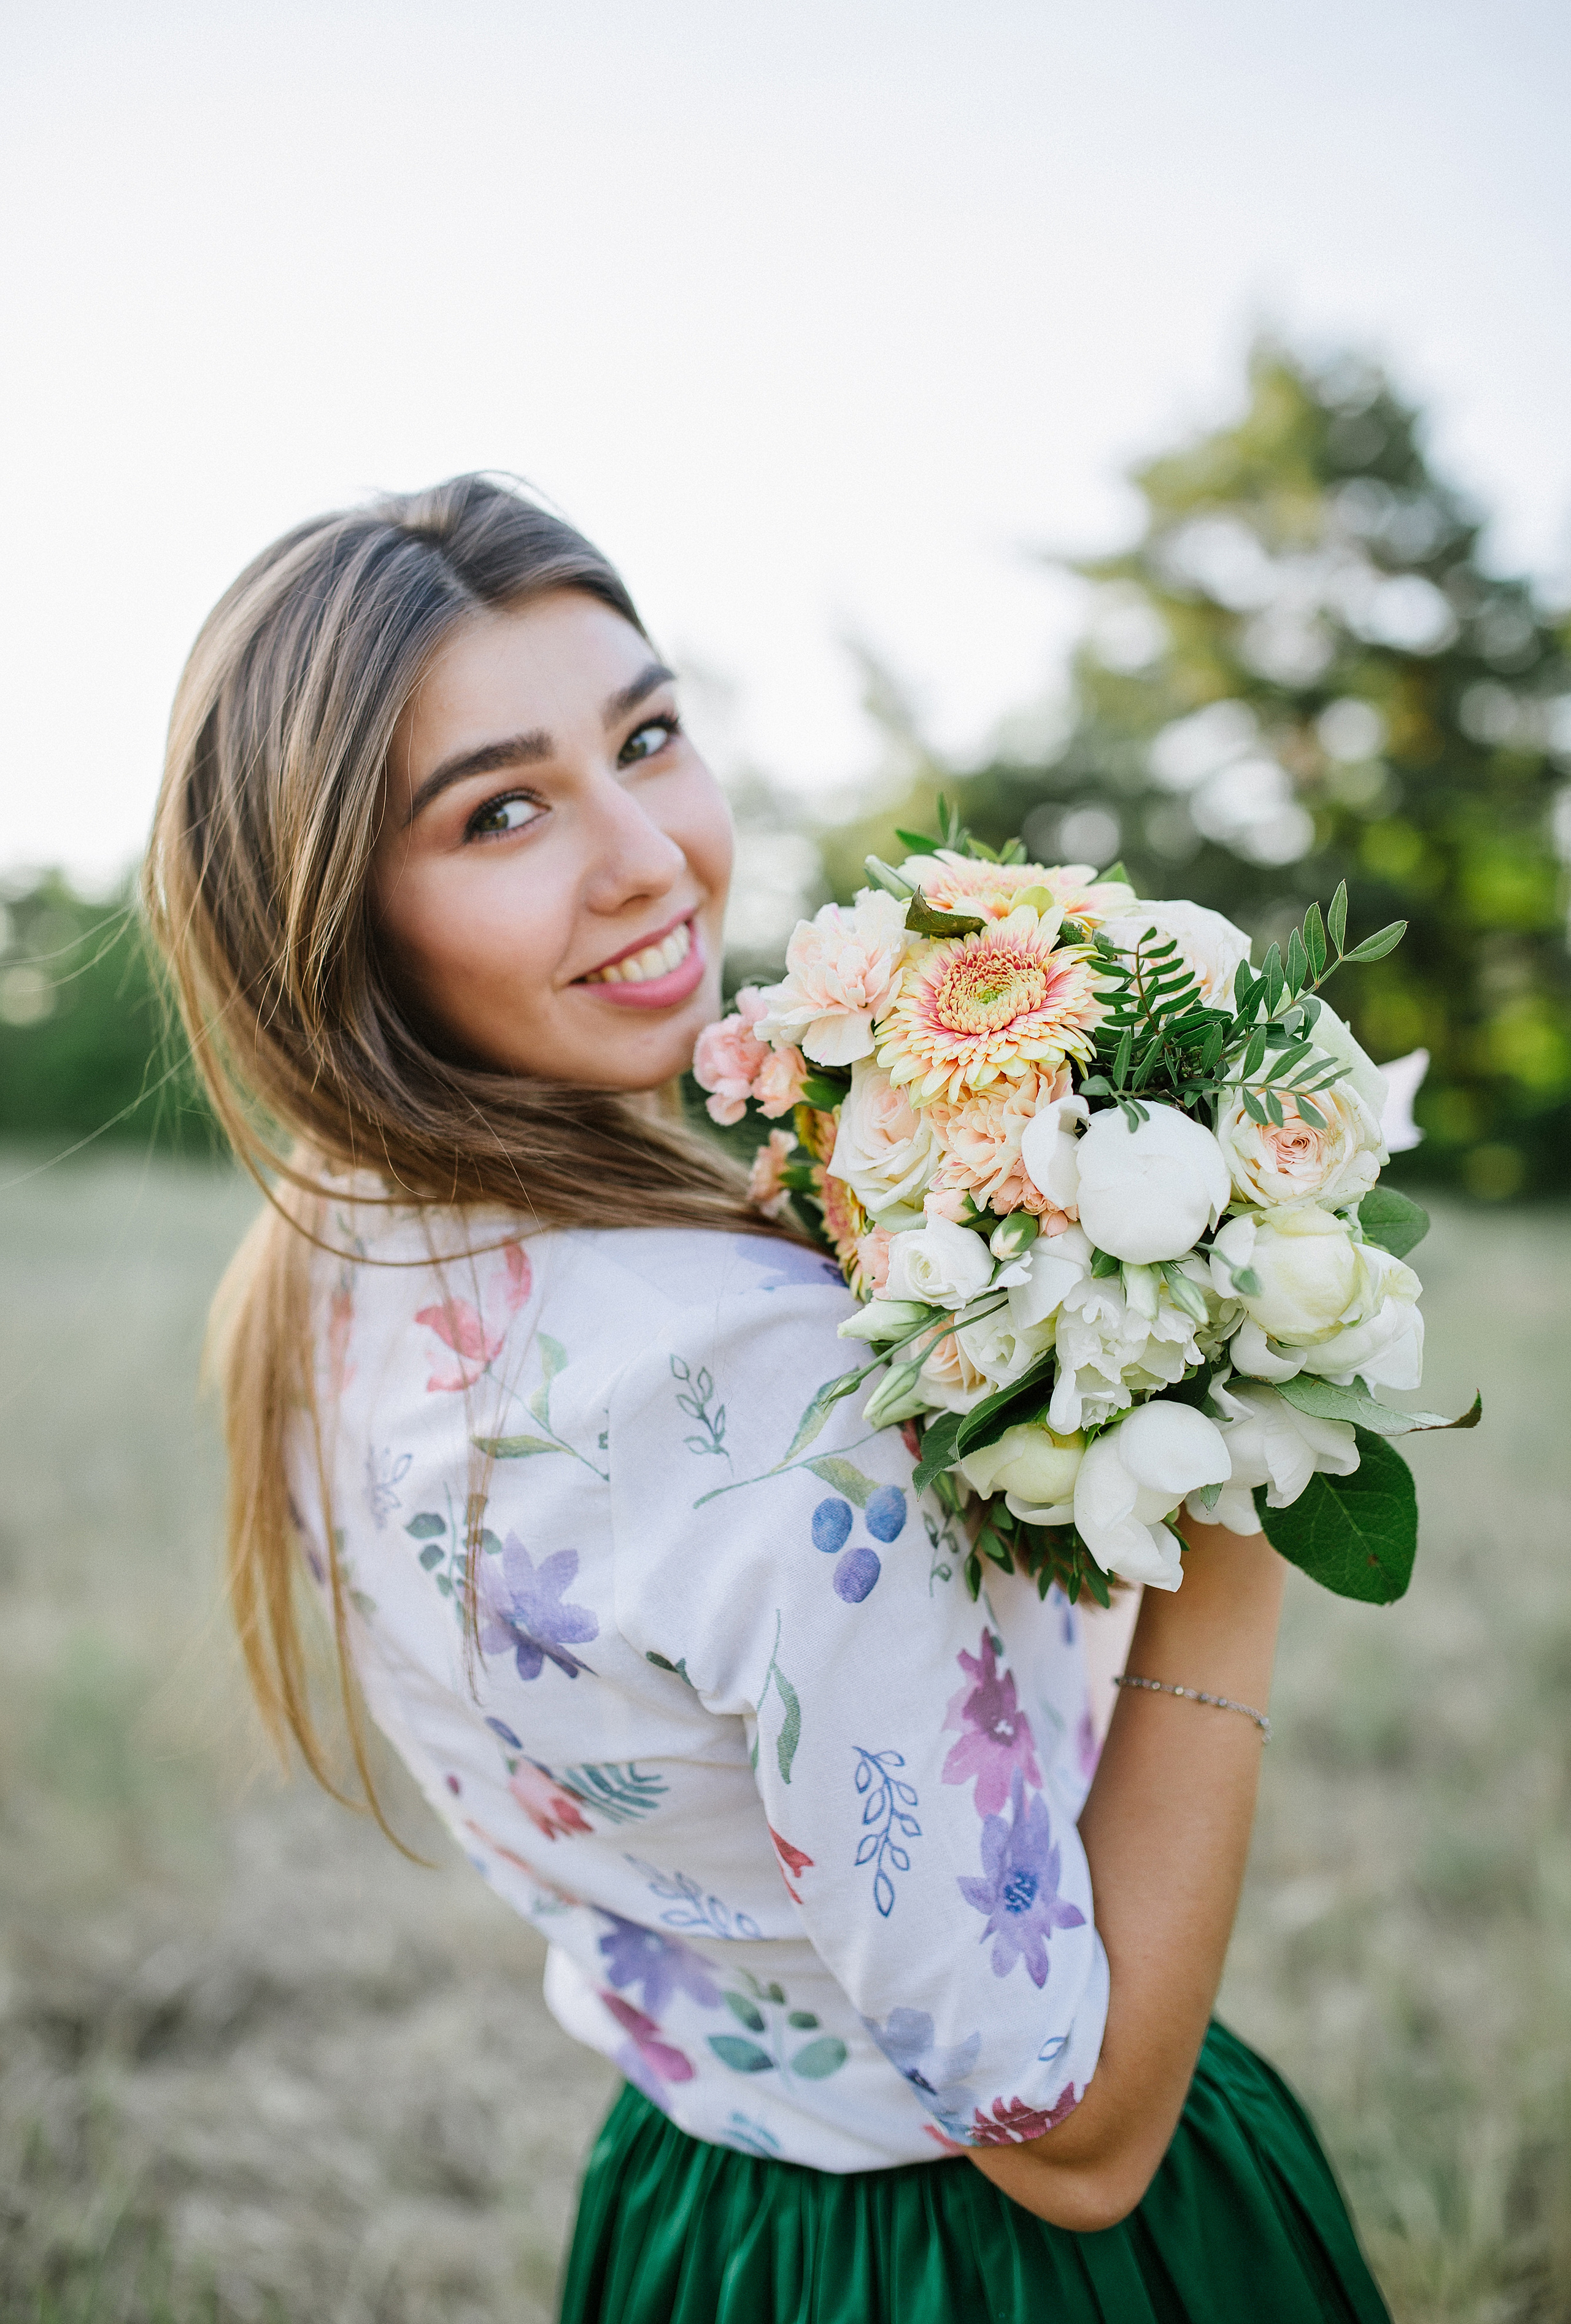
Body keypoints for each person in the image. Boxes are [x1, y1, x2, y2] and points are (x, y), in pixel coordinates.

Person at [145, 474, 1391, 2323]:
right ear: (337, 918)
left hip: (692, 2209)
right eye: (501, 810)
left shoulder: (319, 1263)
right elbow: (1072, 2133)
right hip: (974, 2266)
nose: (646, 853)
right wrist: (1246, 1473)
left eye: (648, 736)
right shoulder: (750, 1374)